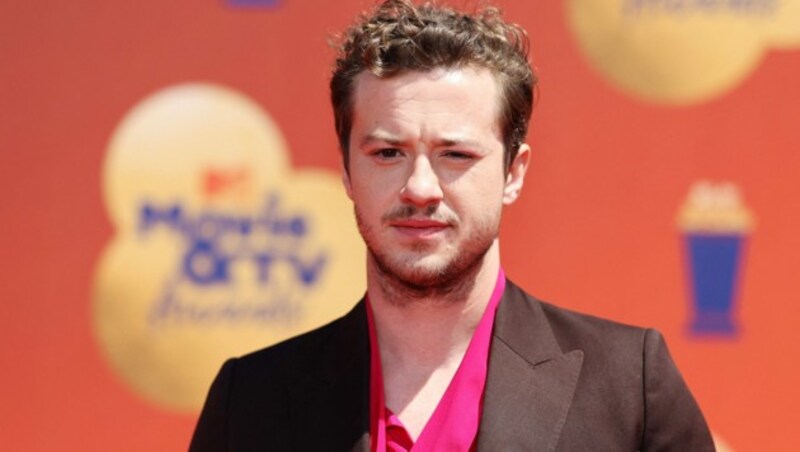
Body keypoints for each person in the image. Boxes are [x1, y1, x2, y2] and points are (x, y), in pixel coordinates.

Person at [190, 0, 715, 450]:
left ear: (513, 171)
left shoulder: (629, 388)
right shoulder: (251, 400)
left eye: (456, 154)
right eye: (388, 152)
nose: (420, 187)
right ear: (347, 170)